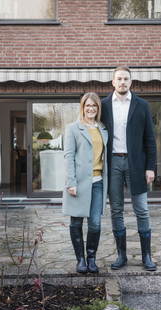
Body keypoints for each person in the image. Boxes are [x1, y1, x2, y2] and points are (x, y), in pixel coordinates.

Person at [100, 66, 157, 271]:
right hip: (113, 162)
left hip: (136, 164)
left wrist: (150, 167)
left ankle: (146, 257)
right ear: (113, 82)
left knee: (141, 209)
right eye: (119, 79)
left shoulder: (142, 105)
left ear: (131, 82)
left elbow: (150, 139)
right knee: (116, 210)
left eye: (126, 79)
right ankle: (121, 256)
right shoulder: (103, 105)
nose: (122, 82)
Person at [62, 92, 108, 273]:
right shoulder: (73, 128)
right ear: (83, 107)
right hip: (79, 183)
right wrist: (70, 182)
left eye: (94, 106)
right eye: (88, 105)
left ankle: (91, 258)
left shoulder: (102, 129)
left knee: (95, 223)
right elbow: (68, 156)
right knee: (76, 220)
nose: (91, 108)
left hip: (98, 182)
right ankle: (80, 260)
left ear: (98, 108)